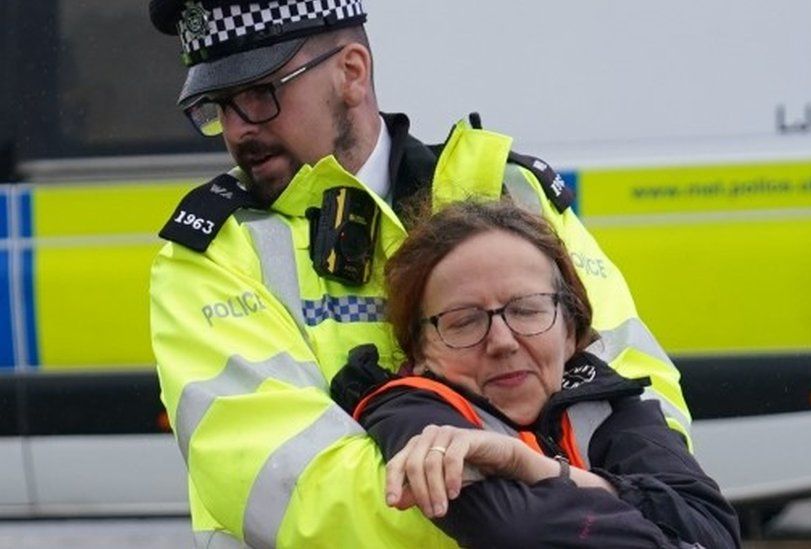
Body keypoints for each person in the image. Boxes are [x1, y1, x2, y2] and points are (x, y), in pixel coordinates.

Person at [147, 1, 694, 547]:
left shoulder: (515, 194)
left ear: (352, 72)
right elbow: (294, 486)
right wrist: (565, 510)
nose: (238, 130)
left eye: (259, 96)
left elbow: (640, 396)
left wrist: (541, 501)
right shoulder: (213, 255)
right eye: (217, 106)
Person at [336, 199, 739, 548]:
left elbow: (717, 531)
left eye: (527, 310)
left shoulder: (608, 402)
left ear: (570, 330)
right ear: (421, 351)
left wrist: (533, 467)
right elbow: (517, 532)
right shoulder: (409, 412)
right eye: (464, 322)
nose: (502, 341)